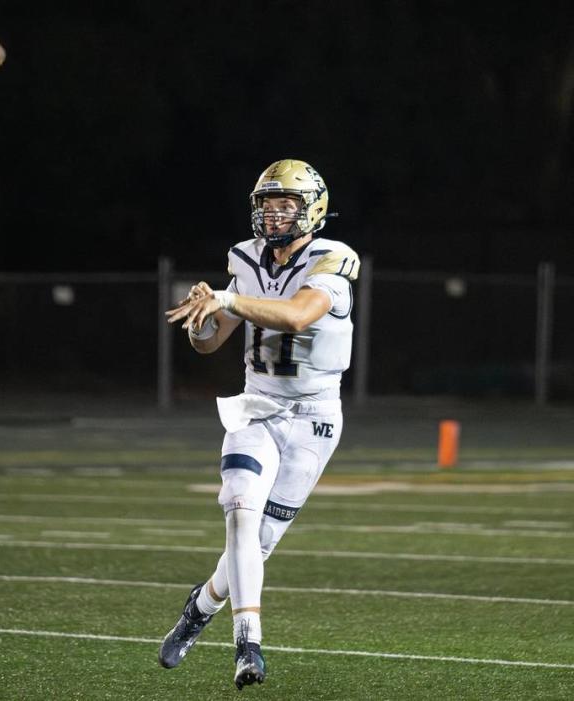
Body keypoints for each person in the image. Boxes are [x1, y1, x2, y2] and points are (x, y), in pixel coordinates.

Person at [160, 159, 359, 690]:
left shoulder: (332, 260)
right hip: (256, 408)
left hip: (315, 418)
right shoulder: (245, 260)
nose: (274, 217)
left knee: (261, 541)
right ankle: (248, 643)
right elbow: (212, 342)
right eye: (267, 206)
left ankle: (198, 608)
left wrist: (227, 298)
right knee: (240, 510)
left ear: (311, 209)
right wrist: (202, 325)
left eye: (286, 206)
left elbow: (296, 315)